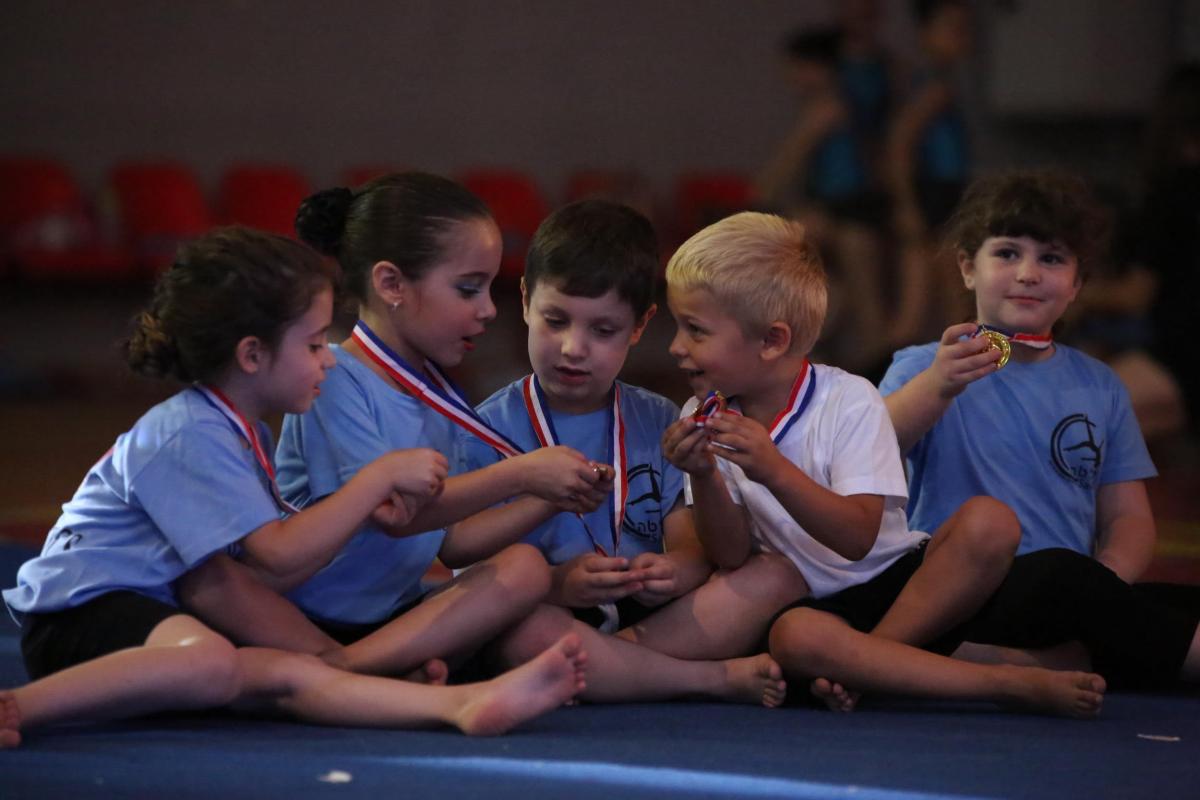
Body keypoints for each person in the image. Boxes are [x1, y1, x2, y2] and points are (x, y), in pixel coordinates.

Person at [0, 227, 587, 747]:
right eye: (312, 346)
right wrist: (375, 481)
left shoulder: (235, 429)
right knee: (213, 664)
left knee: (289, 675)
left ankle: (458, 706)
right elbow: (275, 557)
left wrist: (325, 655)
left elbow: (256, 576)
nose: (327, 361)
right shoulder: (185, 431)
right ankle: (16, 708)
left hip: (165, 614)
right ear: (253, 355)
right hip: (84, 612)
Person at [661, 211, 1107, 717]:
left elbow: (858, 538)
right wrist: (703, 474)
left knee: (990, 520)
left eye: (694, 330)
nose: (676, 347)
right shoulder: (702, 415)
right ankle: (1002, 681)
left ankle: (873, 659)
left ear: (771, 341)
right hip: (815, 607)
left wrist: (774, 470)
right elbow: (731, 555)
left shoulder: (849, 398)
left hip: (897, 583)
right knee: (796, 635)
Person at [180, 173, 610, 681]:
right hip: (298, 614)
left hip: (387, 620)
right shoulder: (336, 378)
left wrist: (550, 494)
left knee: (526, 569)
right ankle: (343, 671)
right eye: (468, 289)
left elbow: (450, 543)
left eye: (489, 289)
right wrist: (522, 475)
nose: (489, 309)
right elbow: (396, 516)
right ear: (391, 285)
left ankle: (359, 669)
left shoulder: (439, 394)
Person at [465, 200, 798, 706]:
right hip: (549, 612)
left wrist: (672, 573)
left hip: (648, 620)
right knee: (524, 632)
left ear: (640, 326)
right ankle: (709, 679)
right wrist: (557, 585)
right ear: (527, 300)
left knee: (773, 575)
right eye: (556, 320)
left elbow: (691, 548)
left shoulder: (662, 418)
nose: (574, 348)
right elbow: (473, 575)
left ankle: (609, 667)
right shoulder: (485, 428)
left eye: (603, 330)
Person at [878, 169, 1200, 689]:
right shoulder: (923, 365)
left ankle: (1020, 659)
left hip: (1065, 595)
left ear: (1076, 285)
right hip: (959, 591)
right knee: (1071, 582)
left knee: (1161, 599)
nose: (1028, 272)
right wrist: (938, 385)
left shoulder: (1100, 385)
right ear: (967, 268)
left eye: (1051, 259)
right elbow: (873, 451)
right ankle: (1043, 655)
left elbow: (1129, 518)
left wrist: (1108, 581)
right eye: (1007, 253)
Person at [886, 0, 974, 347]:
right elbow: (898, 145)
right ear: (926, 34)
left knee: (947, 302)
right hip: (933, 195)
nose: (962, 38)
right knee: (936, 306)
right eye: (952, 29)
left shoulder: (940, 82)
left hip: (945, 193)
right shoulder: (932, 86)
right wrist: (906, 206)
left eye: (964, 30)